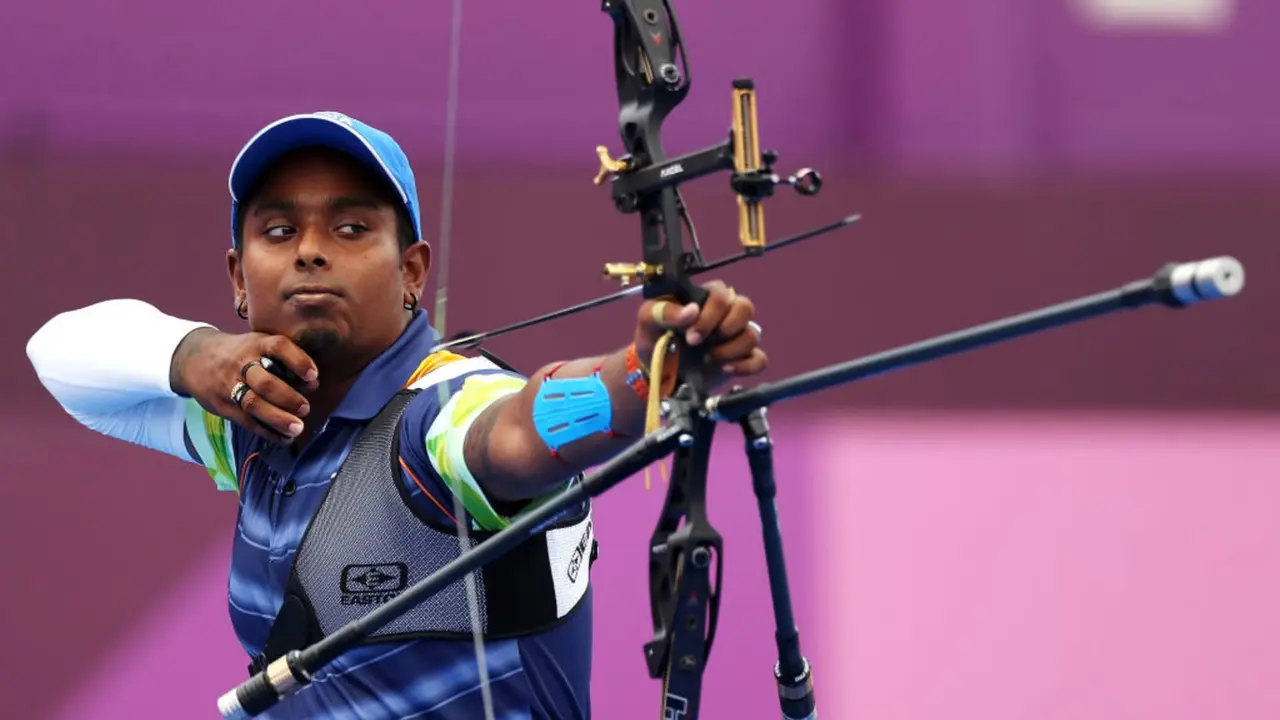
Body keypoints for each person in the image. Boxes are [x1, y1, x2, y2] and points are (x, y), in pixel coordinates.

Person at [25, 110, 766, 719]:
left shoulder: (440, 414)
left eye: (351, 229)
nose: (311, 252)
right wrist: (194, 354)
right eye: (279, 231)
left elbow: (517, 429)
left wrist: (641, 377)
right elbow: (57, 357)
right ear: (238, 278)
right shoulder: (254, 418)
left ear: (412, 271)